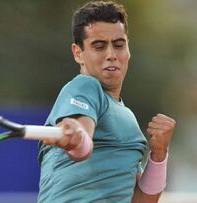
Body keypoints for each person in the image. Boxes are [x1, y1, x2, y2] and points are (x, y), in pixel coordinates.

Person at [37, 1, 176, 202]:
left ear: (128, 48)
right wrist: (76, 136)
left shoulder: (128, 119)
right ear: (78, 53)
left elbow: (141, 200)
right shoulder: (84, 87)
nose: (111, 55)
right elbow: (82, 140)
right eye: (99, 46)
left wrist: (159, 155)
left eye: (119, 45)